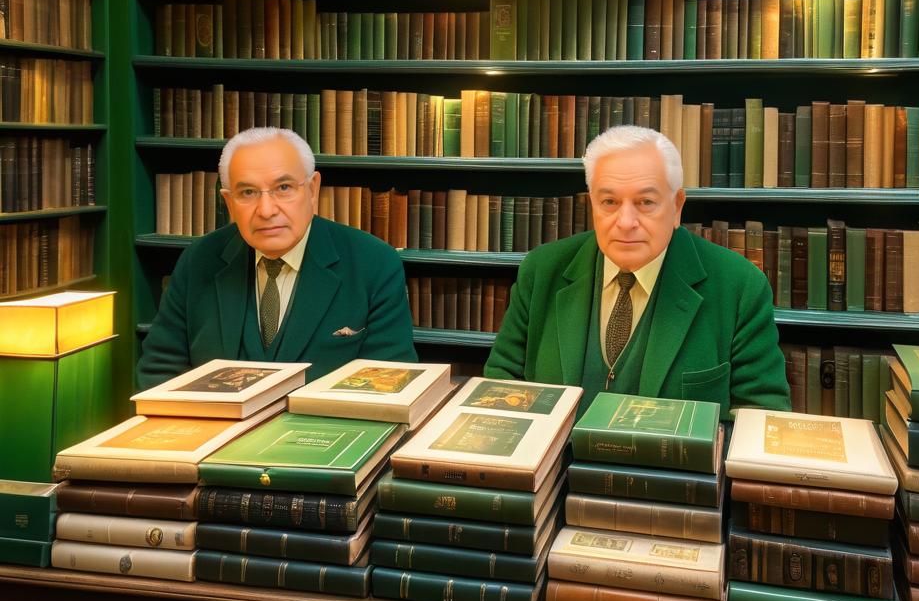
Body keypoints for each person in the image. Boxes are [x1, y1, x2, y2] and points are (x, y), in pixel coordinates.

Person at [484, 125, 791, 415]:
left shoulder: (739, 286)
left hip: (674, 470)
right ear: (592, 203)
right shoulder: (541, 271)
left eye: (645, 202)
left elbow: (759, 415)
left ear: (677, 206)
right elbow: (500, 385)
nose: (626, 222)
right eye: (609, 202)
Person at [136, 127, 416, 387]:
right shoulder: (199, 261)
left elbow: (388, 383)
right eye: (248, 192)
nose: (267, 210)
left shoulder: (374, 263)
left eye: (283, 188)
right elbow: (159, 373)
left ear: (312, 189)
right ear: (229, 202)